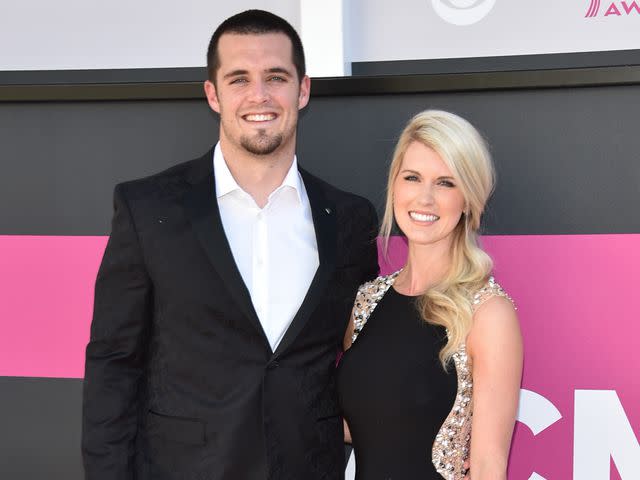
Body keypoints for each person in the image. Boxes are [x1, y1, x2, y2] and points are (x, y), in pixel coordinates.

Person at [82, 9, 378, 480]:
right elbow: (114, 364)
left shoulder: (349, 218)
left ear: (303, 90)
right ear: (213, 94)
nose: (259, 96)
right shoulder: (148, 209)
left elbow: (365, 360)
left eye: (276, 77)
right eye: (239, 78)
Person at [337, 110, 522, 479]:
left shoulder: (488, 313)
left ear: (469, 199)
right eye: (412, 178)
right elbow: (367, 422)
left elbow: (487, 466)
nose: (425, 198)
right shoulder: (365, 303)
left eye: (445, 183)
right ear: (395, 188)